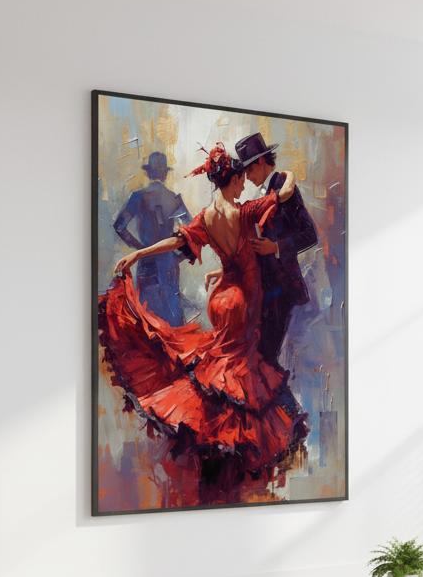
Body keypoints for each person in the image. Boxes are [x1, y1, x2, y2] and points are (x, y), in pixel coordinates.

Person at [100, 144, 308, 500]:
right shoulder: (245, 212)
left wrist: (137, 252)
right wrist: (288, 174)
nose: (244, 186)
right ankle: (236, 448)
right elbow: (285, 192)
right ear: (236, 178)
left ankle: (216, 441)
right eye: (241, 180)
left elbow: (174, 242)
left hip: (220, 296)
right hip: (243, 300)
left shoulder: (208, 217)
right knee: (239, 372)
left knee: (221, 368)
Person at [235, 131, 318, 364]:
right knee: (262, 355)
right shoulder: (266, 192)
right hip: (267, 289)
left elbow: (309, 234)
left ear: (261, 162)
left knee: (267, 358)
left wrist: (276, 247)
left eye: (249, 170)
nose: (248, 177)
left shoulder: (282, 185)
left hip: (283, 289)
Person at [112, 151, 192, 326]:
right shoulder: (174, 199)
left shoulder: (138, 197)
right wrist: (178, 257)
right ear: (164, 174)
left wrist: (140, 250)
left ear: (149, 173)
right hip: (169, 265)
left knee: (148, 322)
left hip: (146, 265)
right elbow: (193, 234)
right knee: (173, 323)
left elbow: (119, 226)